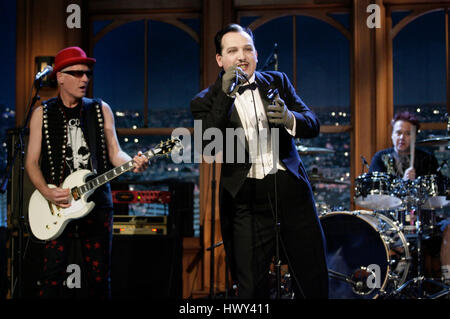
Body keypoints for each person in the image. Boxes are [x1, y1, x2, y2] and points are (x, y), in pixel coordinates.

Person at [190, 24, 328, 299]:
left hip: (291, 193)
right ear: (220, 60)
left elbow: (313, 123)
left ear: (255, 53)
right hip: (245, 202)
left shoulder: (278, 81)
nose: (242, 56)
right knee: (251, 288)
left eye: (247, 49)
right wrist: (227, 95)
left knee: (312, 281)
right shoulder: (204, 100)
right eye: (232, 51)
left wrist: (290, 119)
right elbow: (208, 144)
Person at [25, 46, 149, 298]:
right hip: (57, 205)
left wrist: (133, 161)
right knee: (51, 276)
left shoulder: (100, 110)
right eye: (78, 73)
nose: (85, 79)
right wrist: (47, 192)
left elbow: (116, 154)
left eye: (88, 74)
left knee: (99, 277)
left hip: (97, 202)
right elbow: (31, 162)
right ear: (60, 76)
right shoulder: (42, 113)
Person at [369, 111, 450, 288]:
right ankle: (380, 286)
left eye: (407, 133)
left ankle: (447, 281)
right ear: (392, 134)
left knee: (449, 228)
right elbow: (376, 197)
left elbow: (436, 196)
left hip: (423, 219)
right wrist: (401, 183)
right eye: (398, 132)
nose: (402, 138)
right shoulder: (380, 159)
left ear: (414, 137)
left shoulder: (426, 159)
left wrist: (417, 186)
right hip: (390, 222)